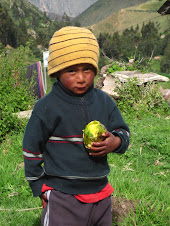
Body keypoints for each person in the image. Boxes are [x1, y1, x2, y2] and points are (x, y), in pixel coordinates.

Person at [23, 26, 130, 226]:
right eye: (72, 70)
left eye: (87, 69)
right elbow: (31, 150)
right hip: (62, 196)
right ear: (56, 71)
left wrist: (115, 142)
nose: (81, 78)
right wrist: (39, 186)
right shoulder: (46, 107)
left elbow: (123, 132)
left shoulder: (105, 102)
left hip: (101, 195)